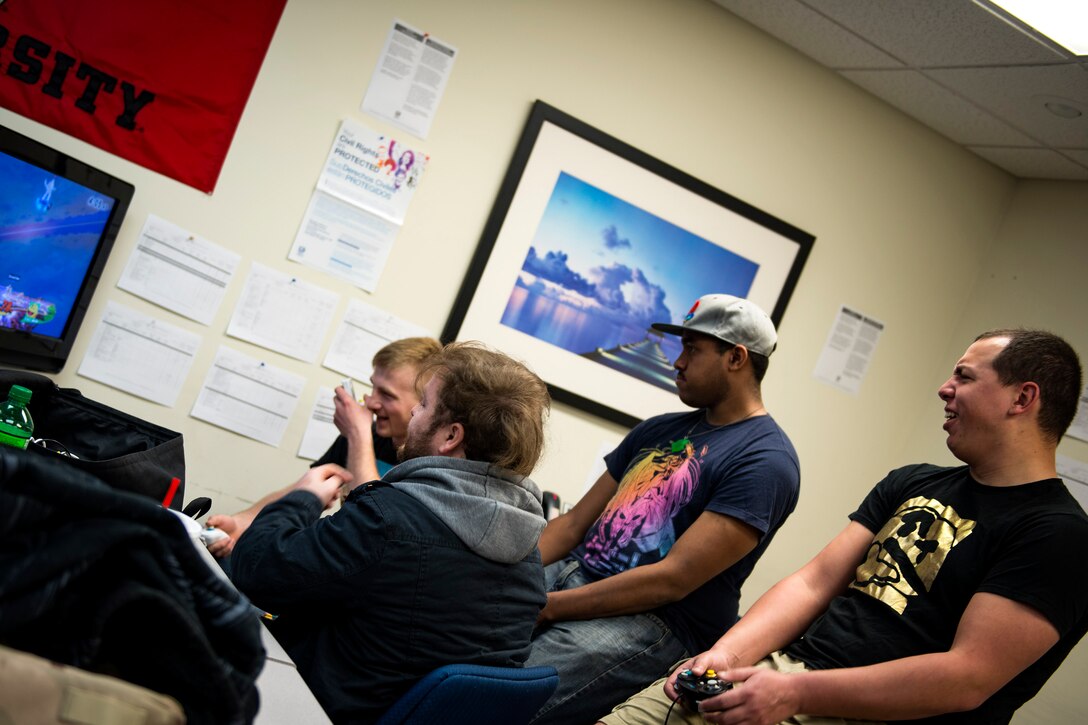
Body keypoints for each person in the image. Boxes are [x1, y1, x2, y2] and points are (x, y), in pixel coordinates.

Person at [603, 328, 1088, 725]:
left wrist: (795, 693)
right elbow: (813, 584)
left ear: (1022, 397)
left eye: (964, 376)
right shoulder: (912, 481)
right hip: (782, 676)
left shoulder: (1059, 535)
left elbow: (966, 678)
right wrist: (725, 656)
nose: (945, 388)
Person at [230, 342, 553, 723]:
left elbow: (256, 570)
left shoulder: (388, 519)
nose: (414, 411)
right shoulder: (529, 559)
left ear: (450, 436)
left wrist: (303, 499)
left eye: (425, 404)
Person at [526, 294, 801, 724]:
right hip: (572, 577)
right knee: (457, 640)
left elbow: (673, 580)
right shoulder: (659, 429)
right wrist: (511, 576)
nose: (678, 362)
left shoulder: (766, 461)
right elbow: (574, 524)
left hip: (655, 621)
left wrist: (550, 605)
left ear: (736, 358)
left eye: (692, 349)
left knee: (502, 692)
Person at [206, 336, 441, 558]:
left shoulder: (429, 462)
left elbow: (377, 520)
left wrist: (357, 434)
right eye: (373, 388)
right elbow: (303, 492)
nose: (371, 402)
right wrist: (242, 521)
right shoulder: (366, 436)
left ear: (421, 403)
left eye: (387, 395)